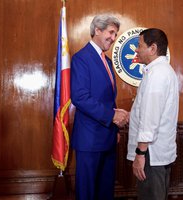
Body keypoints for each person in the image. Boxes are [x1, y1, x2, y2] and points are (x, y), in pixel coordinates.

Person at [70, 14, 128, 200]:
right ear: (97, 30)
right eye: (111, 33)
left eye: (116, 34)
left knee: (105, 191)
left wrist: (115, 127)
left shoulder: (108, 61)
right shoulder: (81, 58)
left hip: (108, 137)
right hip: (89, 139)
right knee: (87, 192)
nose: (113, 38)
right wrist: (112, 116)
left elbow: (108, 98)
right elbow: (80, 97)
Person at [127, 28, 179, 200]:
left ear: (153, 48)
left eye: (139, 45)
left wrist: (140, 155)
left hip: (150, 155)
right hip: (156, 154)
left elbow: (150, 119)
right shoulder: (163, 71)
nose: (136, 49)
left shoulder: (157, 74)